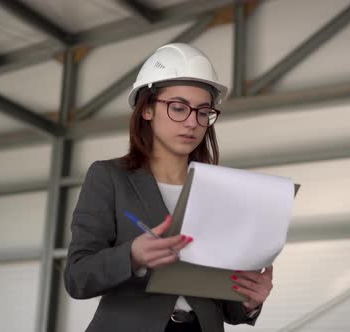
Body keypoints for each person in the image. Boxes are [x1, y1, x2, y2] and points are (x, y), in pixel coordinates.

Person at [64, 43, 273, 332]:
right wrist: (132, 255)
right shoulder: (109, 177)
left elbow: (226, 306)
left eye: (203, 112)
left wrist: (249, 300)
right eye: (178, 108)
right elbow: (77, 277)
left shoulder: (218, 193)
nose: (192, 122)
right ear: (147, 108)